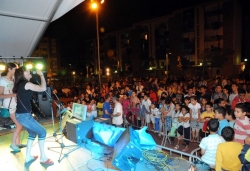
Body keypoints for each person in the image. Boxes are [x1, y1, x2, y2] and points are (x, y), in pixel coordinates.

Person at [13, 67, 53, 165]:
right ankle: (43, 158)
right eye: (27, 71)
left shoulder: (19, 85)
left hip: (20, 115)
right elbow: (43, 88)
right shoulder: (26, 84)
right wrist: (41, 75)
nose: (29, 71)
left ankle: (28, 157)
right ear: (22, 74)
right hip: (24, 116)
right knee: (42, 132)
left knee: (32, 134)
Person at [0, 63, 24, 152]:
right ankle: (13, 144)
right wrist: (13, 94)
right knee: (19, 125)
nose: (16, 71)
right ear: (9, 69)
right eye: (14, 69)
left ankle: (17, 143)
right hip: (9, 106)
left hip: (16, 105)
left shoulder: (13, 79)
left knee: (19, 124)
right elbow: (0, 95)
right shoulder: (2, 80)